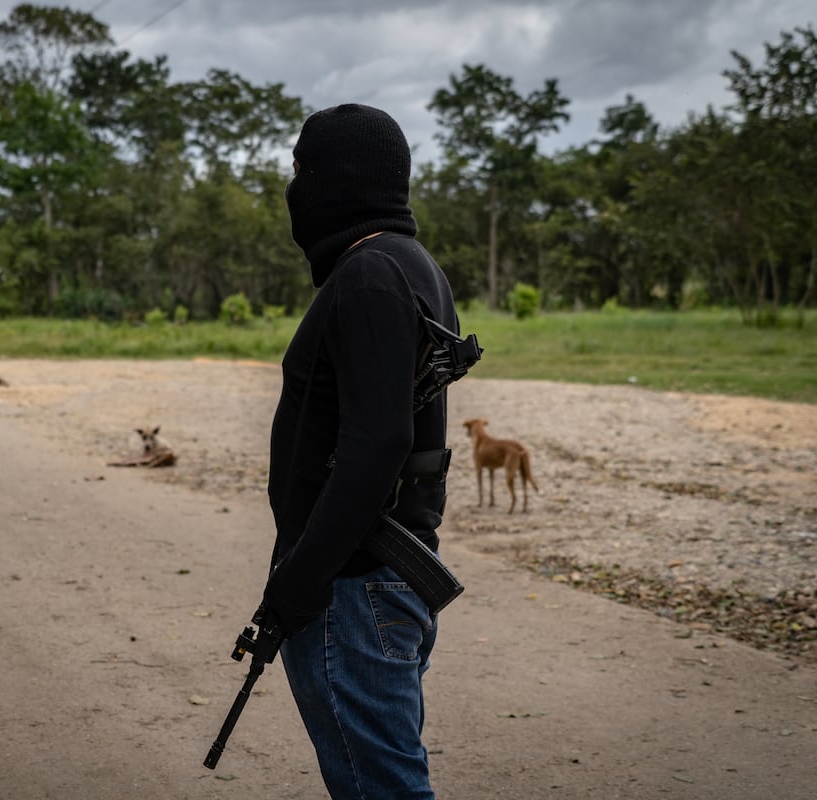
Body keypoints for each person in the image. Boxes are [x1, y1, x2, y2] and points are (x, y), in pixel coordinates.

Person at [261, 104, 460, 799]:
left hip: (354, 589)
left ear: (335, 179)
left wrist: (300, 579)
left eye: (301, 171)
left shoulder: (372, 275)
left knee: (383, 788)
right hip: (375, 579)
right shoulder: (405, 266)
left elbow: (379, 444)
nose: (295, 189)